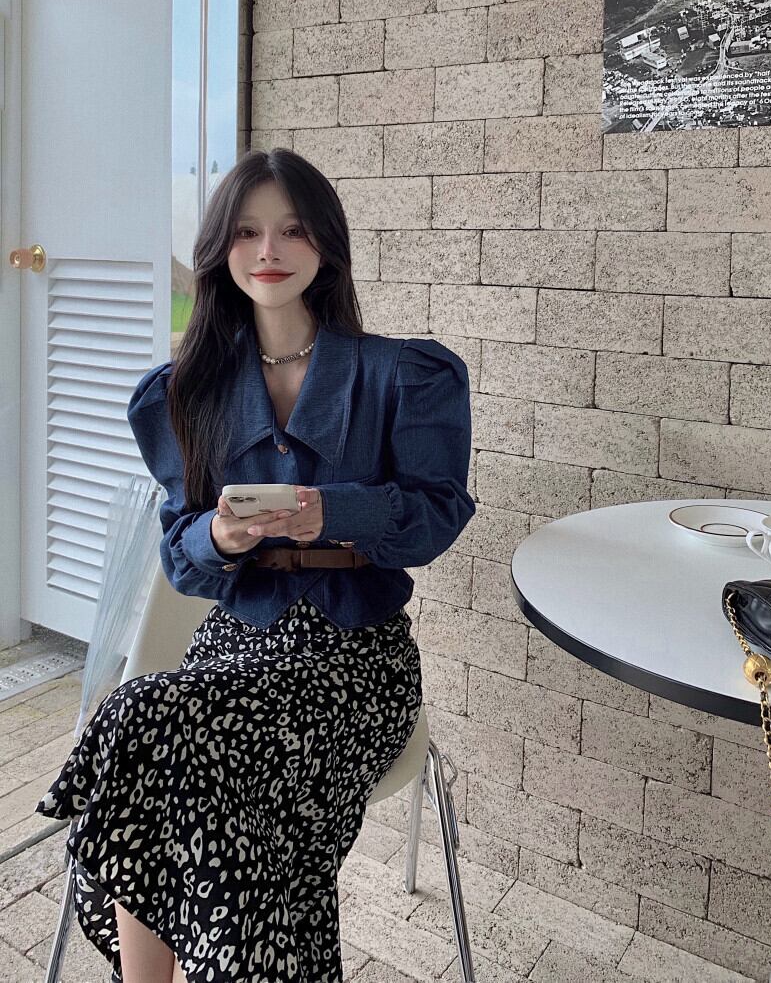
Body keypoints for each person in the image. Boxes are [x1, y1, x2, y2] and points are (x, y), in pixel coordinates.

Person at [34, 147, 475, 982]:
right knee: (164, 736)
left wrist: (331, 510)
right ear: (220, 249)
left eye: (292, 229)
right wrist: (220, 537)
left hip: (354, 662)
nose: (268, 250)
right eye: (246, 232)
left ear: (325, 245)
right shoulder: (186, 391)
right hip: (233, 649)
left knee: (160, 732)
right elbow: (182, 557)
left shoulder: (401, 375)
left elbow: (435, 518)